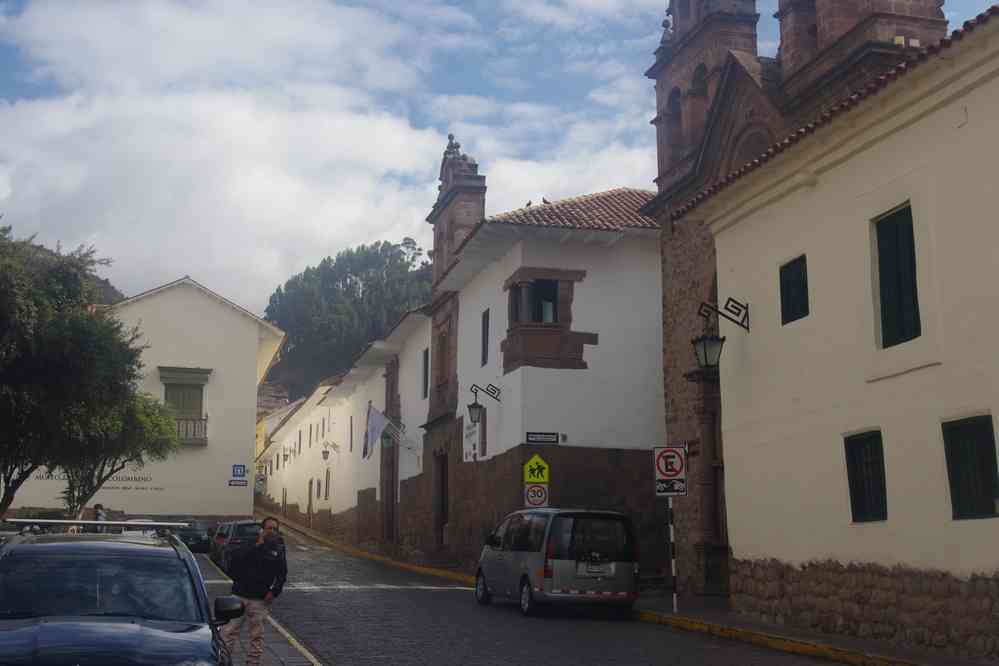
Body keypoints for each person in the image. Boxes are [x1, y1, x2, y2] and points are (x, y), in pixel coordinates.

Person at [221, 517, 287, 666]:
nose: (272, 531)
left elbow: (282, 574)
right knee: (228, 632)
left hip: (260, 599)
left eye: (275, 529)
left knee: (256, 636)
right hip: (239, 595)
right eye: (269, 528)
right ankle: (224, 661)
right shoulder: (250, 542)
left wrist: (274, 591)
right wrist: (257, 545)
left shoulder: (279, 548)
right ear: (262, 530)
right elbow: (236, 562)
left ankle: (253, 663)